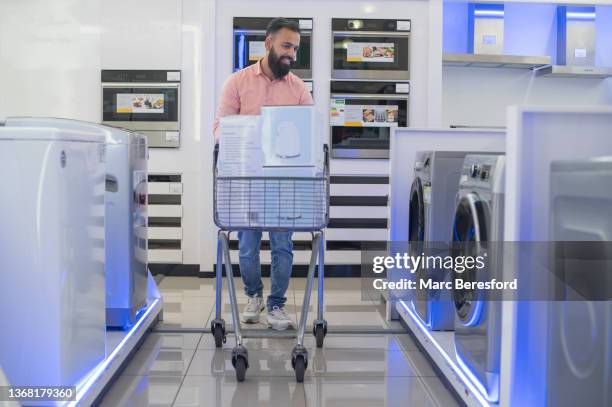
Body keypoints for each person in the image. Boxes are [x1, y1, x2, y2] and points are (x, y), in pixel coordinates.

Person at [213, 18, 313, 330]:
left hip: (284, 184)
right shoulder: (237, 83)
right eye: (286, 46)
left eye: (295, 48)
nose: (291, 54)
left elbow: (309, 134)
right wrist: (249, 133)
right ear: (268, 44)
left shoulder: (299, 89)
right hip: (247, 180)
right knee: (247, 245)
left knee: (283, 246)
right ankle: (254, 296)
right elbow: (219, 129)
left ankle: (277, 306)